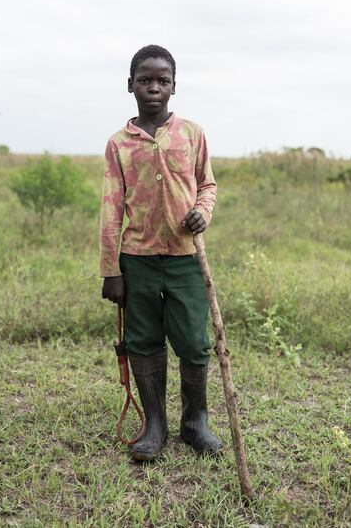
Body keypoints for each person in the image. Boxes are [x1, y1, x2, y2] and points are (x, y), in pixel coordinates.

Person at [100, 44, 224, 461]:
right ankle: (154, 424)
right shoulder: (119, 143)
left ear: (174, 86)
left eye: (162, 80)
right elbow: (111, 208)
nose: (154, 87)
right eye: (145, 80)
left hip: (187, 258)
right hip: (137, 260)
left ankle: (195, 423)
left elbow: (207, 185)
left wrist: (202, 213)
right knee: (143, 339)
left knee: (193, 340)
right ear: (130, 85)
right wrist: (110, 269)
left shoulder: (191, 133)